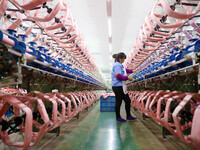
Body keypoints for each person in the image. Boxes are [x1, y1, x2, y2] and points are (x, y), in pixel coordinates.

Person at [111, 52, 137, 122]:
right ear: (120, 58)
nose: (124, 60)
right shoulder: (117, 65)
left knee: (127, 101)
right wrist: (128, 78)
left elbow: (125, 70)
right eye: (123, 59)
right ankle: (118, 117)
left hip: (120, 86)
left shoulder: (119, 65)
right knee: (119, 102)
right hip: (118, 86)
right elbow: (118, 76)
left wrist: (132, 71)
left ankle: (128, 116)